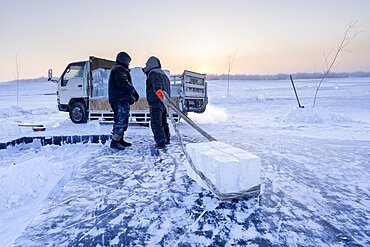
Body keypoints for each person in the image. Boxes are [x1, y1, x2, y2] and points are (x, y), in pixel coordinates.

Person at [108, 51, 139, 150]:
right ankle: (115, 141)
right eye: (128, 61)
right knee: (120, 120)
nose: (129, 64)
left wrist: (129, 97)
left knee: (123, 120)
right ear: (123, 60)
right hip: (119, 99)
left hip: (122, 99)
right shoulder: (118, 69)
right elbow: (123, 83)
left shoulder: (120, 69)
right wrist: (133, 92)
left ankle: (120, 139)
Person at [143, 56, 170, 149]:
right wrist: (164, 100)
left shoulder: (153, 73)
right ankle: (166, 139)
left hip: (156, 102)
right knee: (163, 122)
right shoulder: (163, 74)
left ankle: (160, 141)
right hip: (164, 103)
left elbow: (157, 86)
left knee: (156, 122)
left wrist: (159, 95)